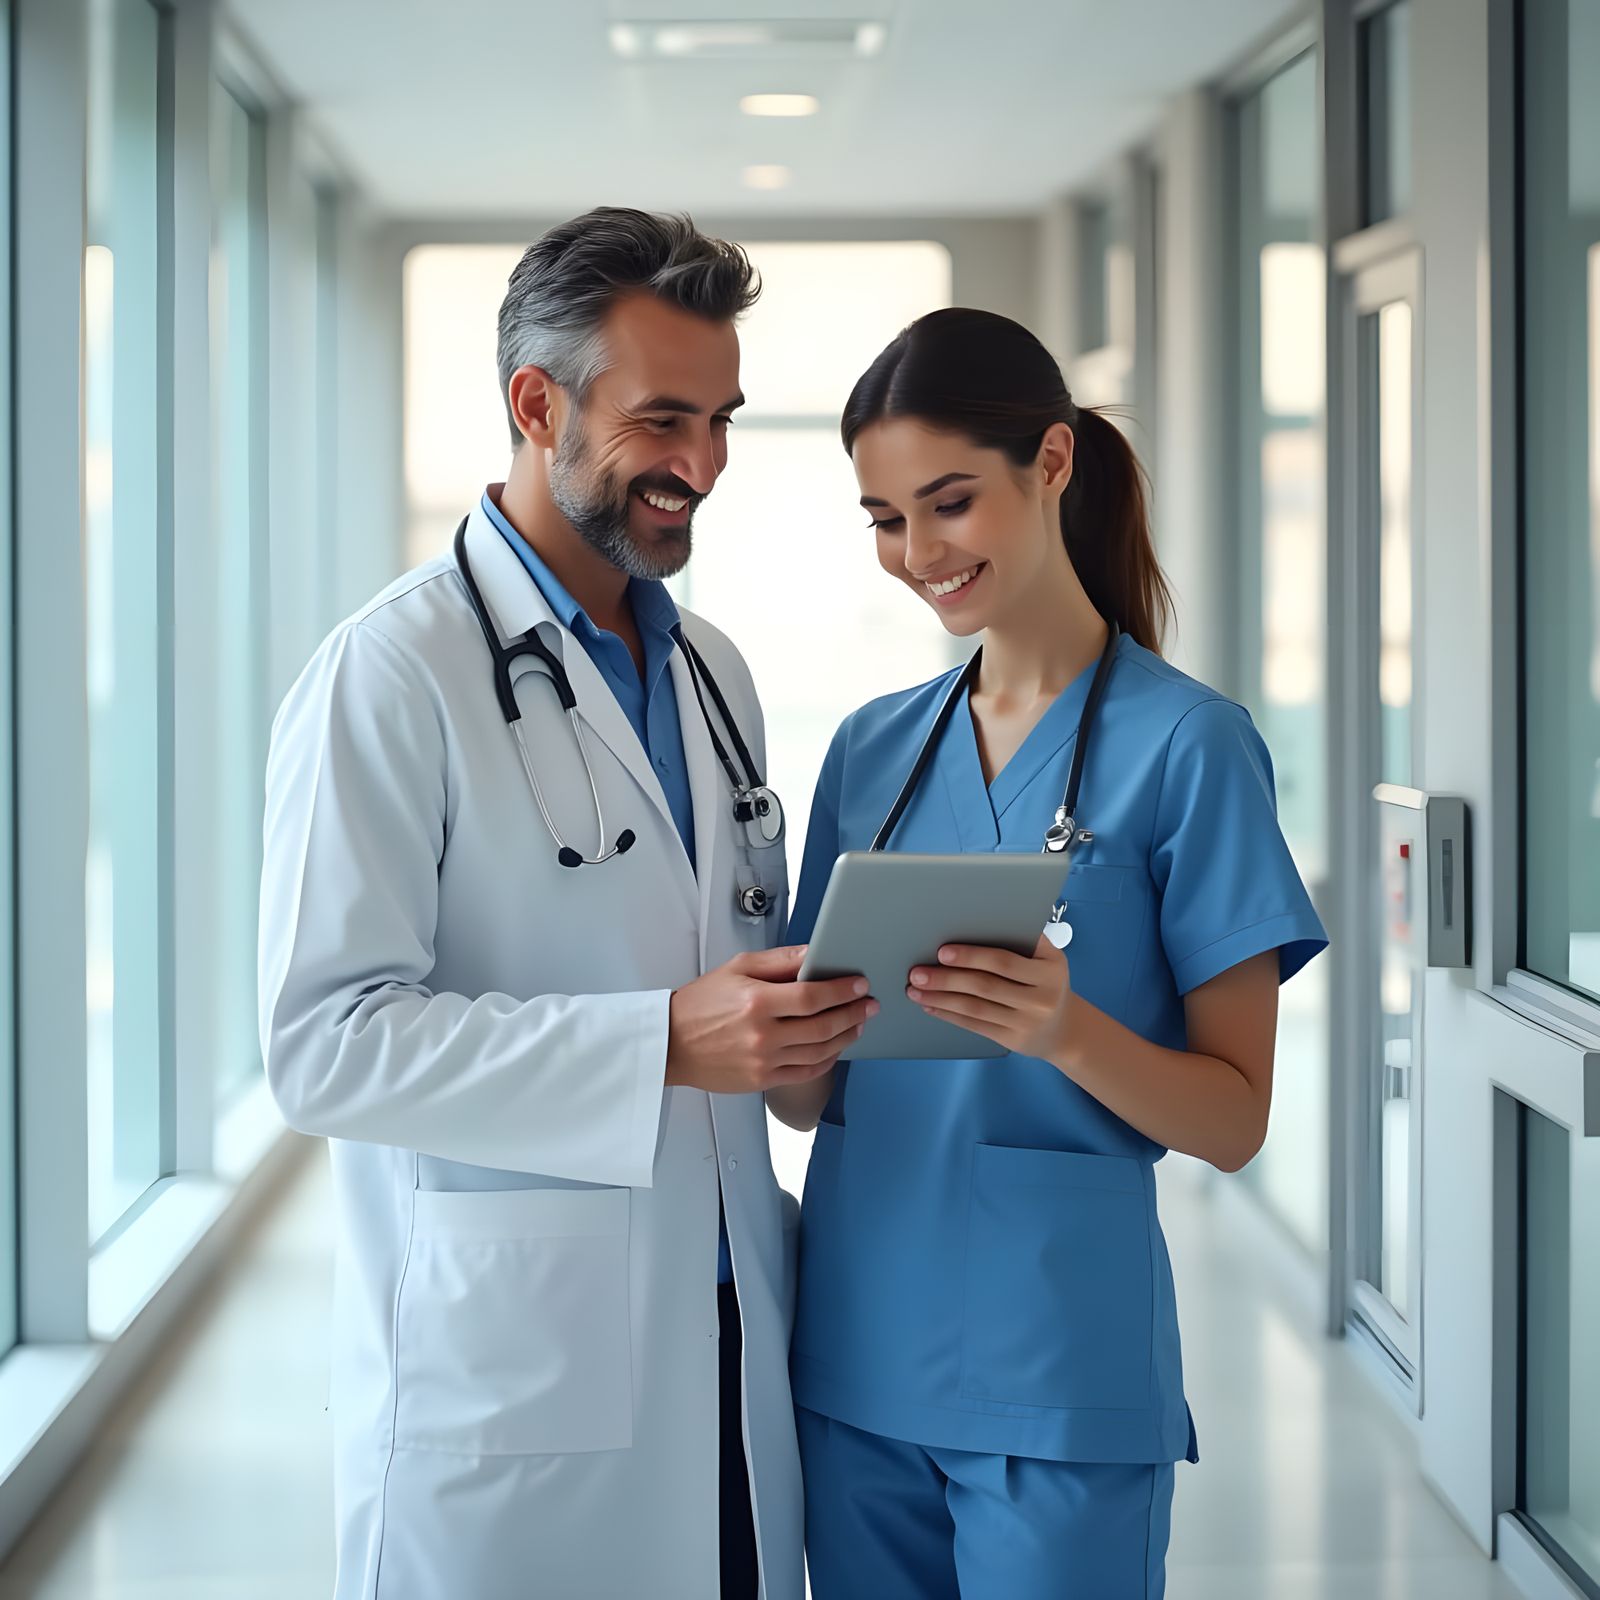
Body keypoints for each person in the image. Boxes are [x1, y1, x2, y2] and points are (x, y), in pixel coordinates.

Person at [258, 207, 874, 1600]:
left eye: (720, 421)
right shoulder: (390, 674)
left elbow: (728, 961)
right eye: (663, 421)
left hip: (731, 1339)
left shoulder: (712, 671)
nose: (702, 465)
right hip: (519, 1367)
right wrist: (660, 1042)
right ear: (538, 406)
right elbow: (322, 1048)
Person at [768, 307, 1329, 1599]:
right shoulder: (871, 748)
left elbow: (1235, 1121)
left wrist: (1064, 1030)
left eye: (949, 503)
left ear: (1054, 463)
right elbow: (805, 1099)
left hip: (1060, 1375)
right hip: (854, 1360)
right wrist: (782, 1037)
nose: (918, 553)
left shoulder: (1191, 747)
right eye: (885, 519)